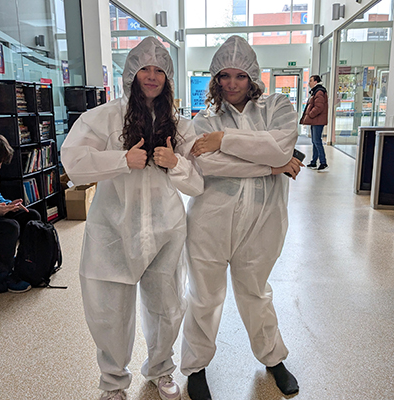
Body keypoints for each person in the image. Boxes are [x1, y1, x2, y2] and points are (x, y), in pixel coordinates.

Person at [61, 37, 203, 400]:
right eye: (145, 68)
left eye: (159, 70)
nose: (152, 76)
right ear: (132, 73)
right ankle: (113, 382)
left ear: (168, 77)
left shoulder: (180, 124)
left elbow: (198, 184)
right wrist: (120, 160)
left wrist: (177, 164)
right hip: (113, 229)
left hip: (166, 228)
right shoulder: (103, 117)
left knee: (167, 306)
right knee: (109, 309)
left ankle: (161, 369)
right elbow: (72, 162)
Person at [180, 35, 302, 399]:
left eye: (240, 76)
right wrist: (272, 167)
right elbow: (205, 164)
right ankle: (196, 368)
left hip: (263, 221)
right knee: (204, 296)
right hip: (209, 221)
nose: (232, 84)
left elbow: (282, 143)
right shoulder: (203, 120)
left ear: (253, 78)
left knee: (255, 292)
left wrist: (224, 140)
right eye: (224, 76)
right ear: (215, 80)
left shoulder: (277, 106)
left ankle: (273, 359)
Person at [0, 134, 41, 293]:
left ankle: (23, 262)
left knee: (32, 215)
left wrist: (8, 204)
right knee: (10, 227)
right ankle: (5, 274)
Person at [300, 74, 329, 172]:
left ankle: (323, 162)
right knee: (314, 141)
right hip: (316, 121)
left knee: (317, 141)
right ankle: (314, 162)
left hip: (317, 120)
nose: (309, 83)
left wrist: (311, 115)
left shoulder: (319, 92)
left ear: (316, 82)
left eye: (311, 80)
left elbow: (319, 107)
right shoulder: (316, 91)